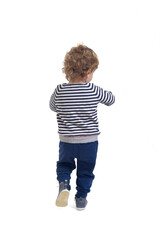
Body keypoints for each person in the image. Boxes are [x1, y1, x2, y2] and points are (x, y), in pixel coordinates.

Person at [49, 44, 115, 210]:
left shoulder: (59, 90)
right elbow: (111, 100)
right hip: (89, 142)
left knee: (64, 165)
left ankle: (63, 185)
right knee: (86, 170)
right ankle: (81, 198)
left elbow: (52, 106)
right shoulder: (93, 89)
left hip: (66, 142)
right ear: (87, 73)